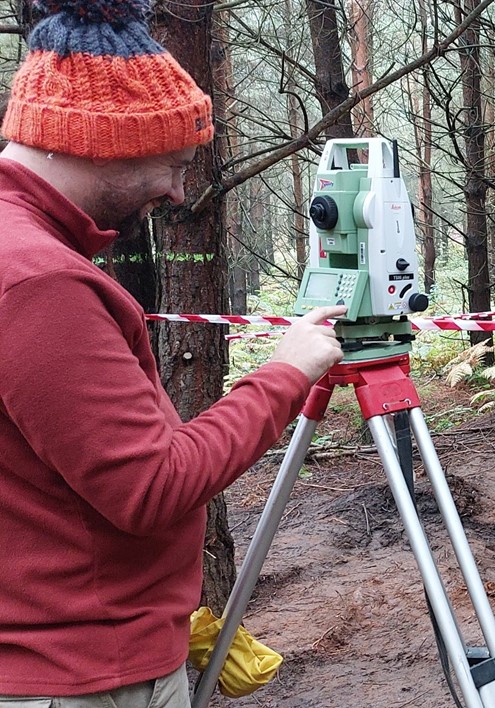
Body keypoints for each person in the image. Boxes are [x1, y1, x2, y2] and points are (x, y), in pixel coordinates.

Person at [0, 0, 346, 704]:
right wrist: (285, 373)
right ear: (101, 142)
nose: (179, 191)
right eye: (174, 164)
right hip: (84, 673)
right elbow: (150, 488)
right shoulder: (38, 282)